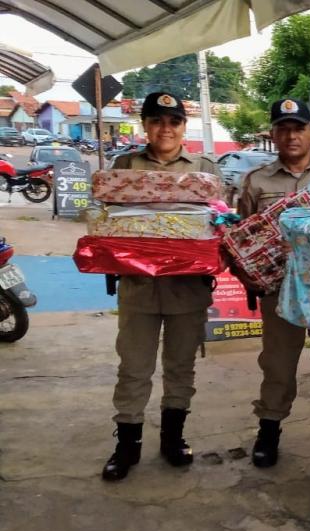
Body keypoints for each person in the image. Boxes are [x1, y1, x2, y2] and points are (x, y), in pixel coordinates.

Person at [101, 91, 221, 481]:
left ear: (184, 127)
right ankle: (127, 445)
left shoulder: (205, 170)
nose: (165, 128)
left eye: (173, 121)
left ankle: (173, 439)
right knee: (133, 367)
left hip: (187, 289)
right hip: (138, 288)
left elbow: (220, 225)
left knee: (180, 367)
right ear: (145, 125)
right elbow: (107, 222)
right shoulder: (124, 166)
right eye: (156, 121)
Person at [235, 98, 310, 468]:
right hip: (280, 289)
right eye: (283, 128)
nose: (291, 136)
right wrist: (249, 279)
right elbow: (239, 239)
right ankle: (269, 431)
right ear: (272, 135)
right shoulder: (257, 181)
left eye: (298, 128)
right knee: (277, 363)